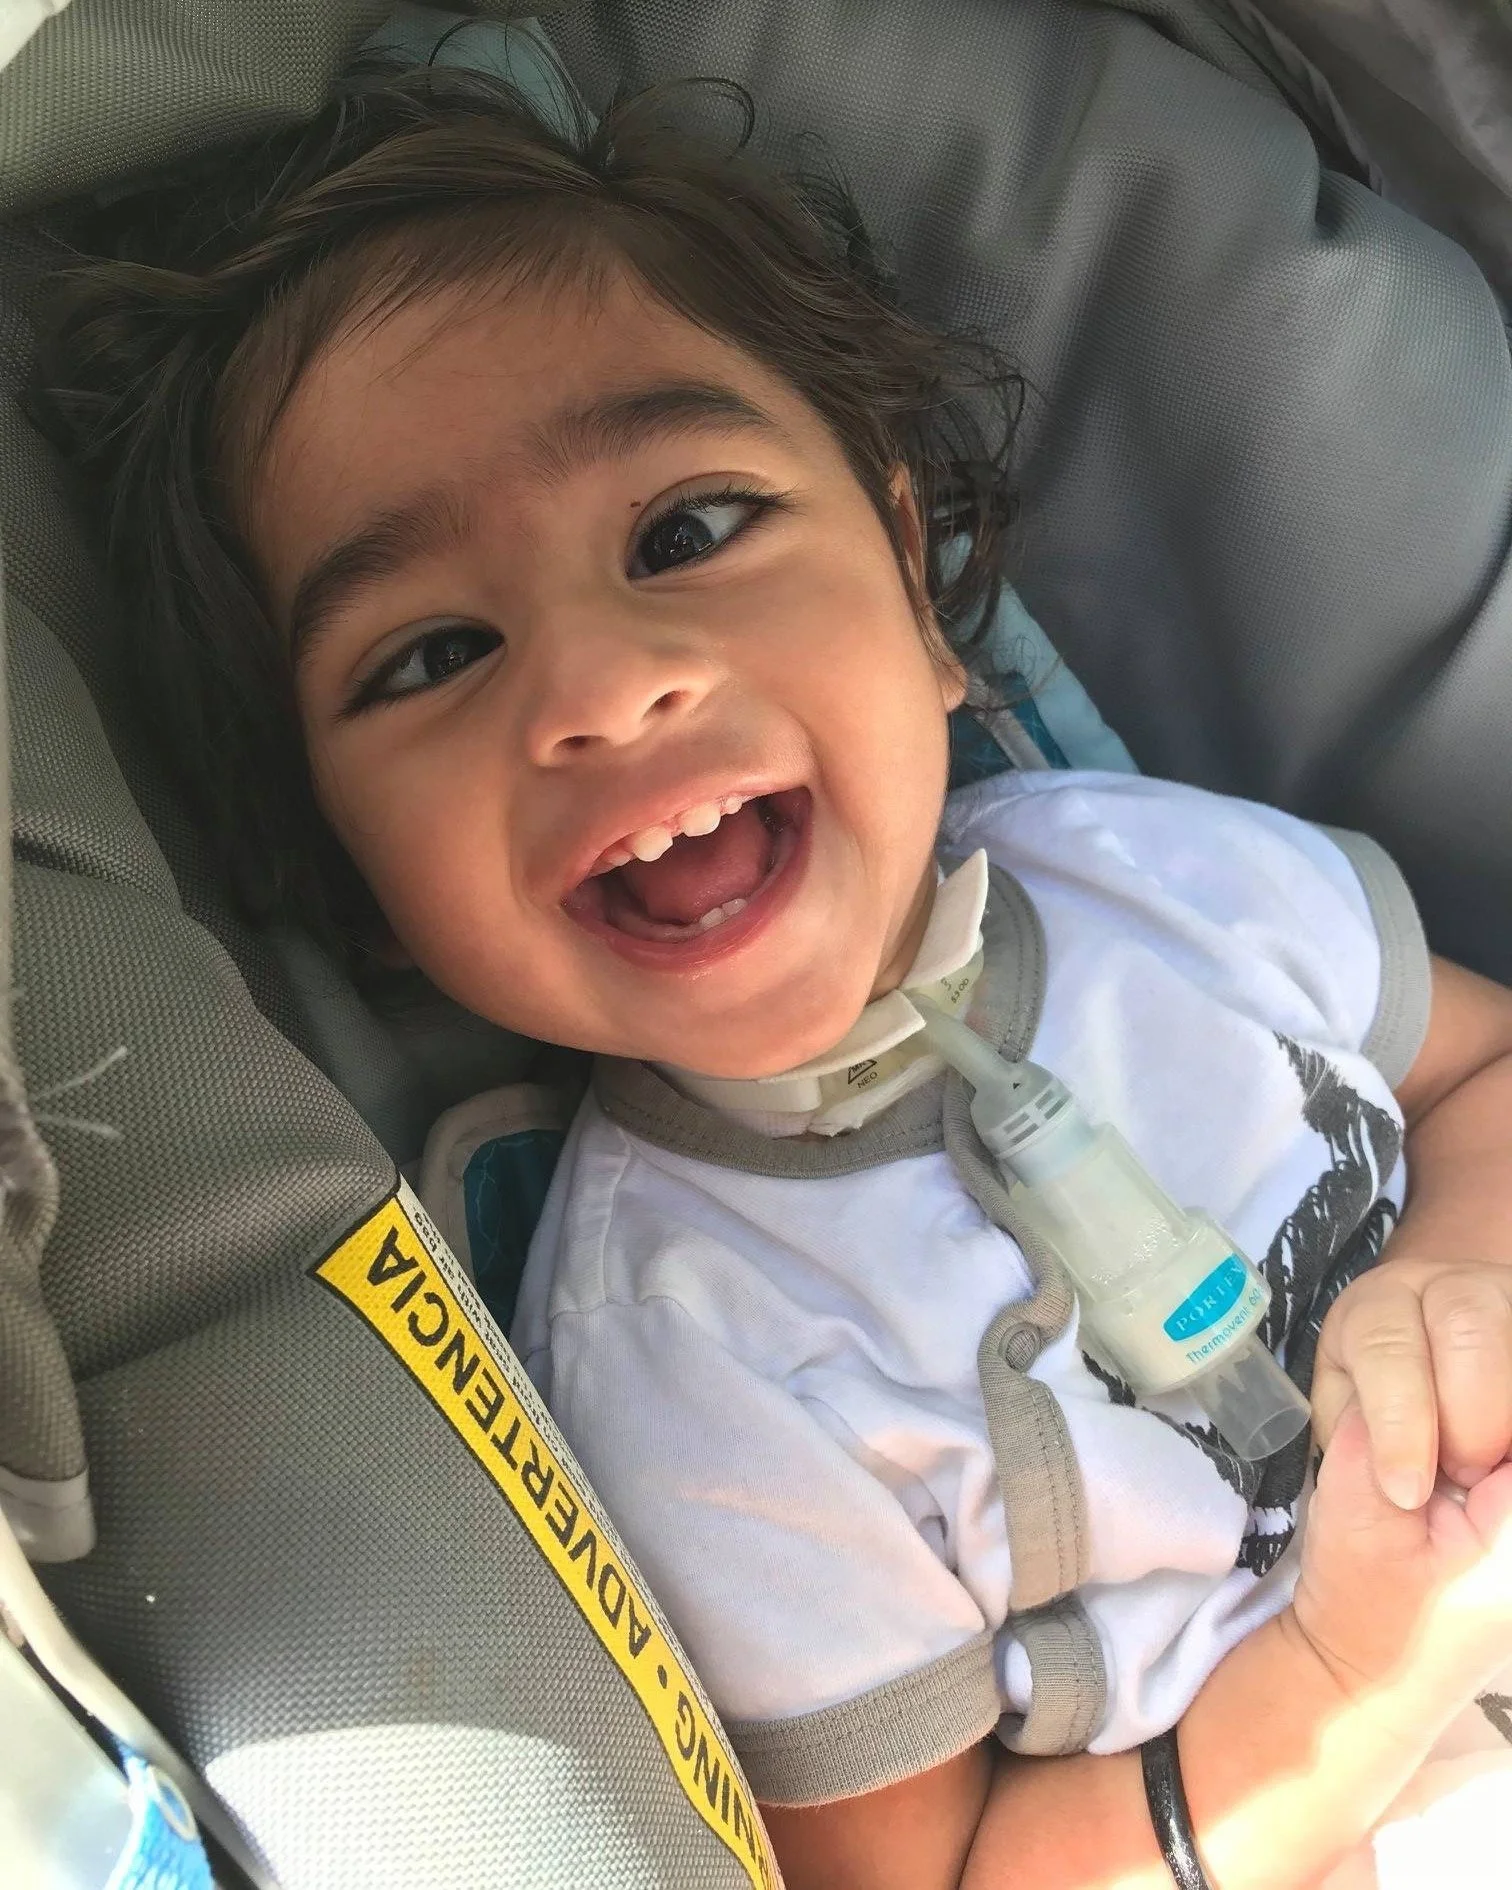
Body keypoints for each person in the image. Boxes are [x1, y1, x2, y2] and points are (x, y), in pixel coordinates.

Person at [36, 61, 1512, 1890]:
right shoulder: (681, 1353)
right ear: (363, 888)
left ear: (918, 584)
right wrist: (1347, 1683)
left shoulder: (1156, 876)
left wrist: (1456, 1272)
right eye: (429, 654)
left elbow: (1479, 1074)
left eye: (685, 531)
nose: (598, 684)